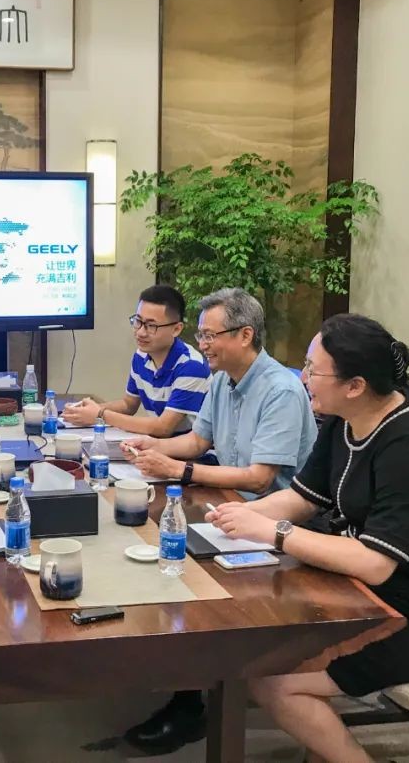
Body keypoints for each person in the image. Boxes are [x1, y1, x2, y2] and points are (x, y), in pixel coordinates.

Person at [206, 314, 409, 763]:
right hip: (358, 591)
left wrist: (275, 532)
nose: (303, 378)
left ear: (355, 385)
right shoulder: (342, 419)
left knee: (273, 678)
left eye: (313, 370)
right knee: (255, 642)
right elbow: (302, 497)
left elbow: (375, 562)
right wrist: (237, 516)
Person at [122, 288, 318, 754]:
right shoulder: (223, 381)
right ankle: (172, 672)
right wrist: (149, 448)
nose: (202, 345)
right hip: (227, 507)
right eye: (201, 335)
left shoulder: (280, 389)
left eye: (210, 336)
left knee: (182, 575)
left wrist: (180, 470)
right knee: (153, 548)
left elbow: (260, 476)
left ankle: (191, 703)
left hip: (273, 521)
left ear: (245, 335)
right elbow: (195, 442)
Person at [62, 284, 210, 436]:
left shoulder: (191, 366)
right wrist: (86, 410)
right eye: (138, 321)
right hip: (157, 444)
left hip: (190, 448)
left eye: (151, 326)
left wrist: (100, 414)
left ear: (176, 329)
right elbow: (128, 404)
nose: (140, 332)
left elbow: (164, 427)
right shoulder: (141, 356)